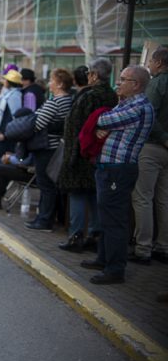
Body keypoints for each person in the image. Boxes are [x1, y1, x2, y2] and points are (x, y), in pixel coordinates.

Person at [81, 65, 154, 285]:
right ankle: (104, 259)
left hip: (118, 170)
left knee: (114, 220)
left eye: (123, 79)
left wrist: (101, 124)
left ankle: (115, 269)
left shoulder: (140, 107)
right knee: (107, 217)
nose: (117, 83)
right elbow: (104, 120)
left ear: (136, 85)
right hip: (109, 168)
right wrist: (100, 126)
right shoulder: (126, 104)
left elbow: (102, 120)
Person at [57, 59, 118, 251]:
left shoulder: (88, 96)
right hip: (101, 152)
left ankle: (76, 236)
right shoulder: (113, 96)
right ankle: (95, 235)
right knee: (94, 193)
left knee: (77, 193)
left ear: (94, 75)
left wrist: (71, 156)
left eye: (89, 73)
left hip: (81, 152)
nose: (88, 76)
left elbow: (75, 126)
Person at [130, 47, 168, 264]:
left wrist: (164, 138)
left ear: (159, 62)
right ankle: (163, 246)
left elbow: (148, 115)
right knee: (164, 199)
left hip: (152, 147)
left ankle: (142, 248)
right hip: (164, 151)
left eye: (151, 61)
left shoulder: (157, 84)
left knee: (143, 198)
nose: (150, 65)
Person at [24, 68, 74, 231]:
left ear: (60, 84)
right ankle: (43, 218)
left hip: (46, 148)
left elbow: (37, 124)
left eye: (52, 80)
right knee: (50, 185)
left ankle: (44, 220)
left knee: (45, 185)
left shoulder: (55, 102)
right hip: (57, 147)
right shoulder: (69, 101)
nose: (49, 83)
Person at [0, 69, 23, 164]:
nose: (4, 81)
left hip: (5, 133)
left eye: (6, 80)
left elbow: (12, 116)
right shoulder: (7, 93)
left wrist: (4, 133)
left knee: (3, 156)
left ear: (9, 82)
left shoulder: (15, 96)